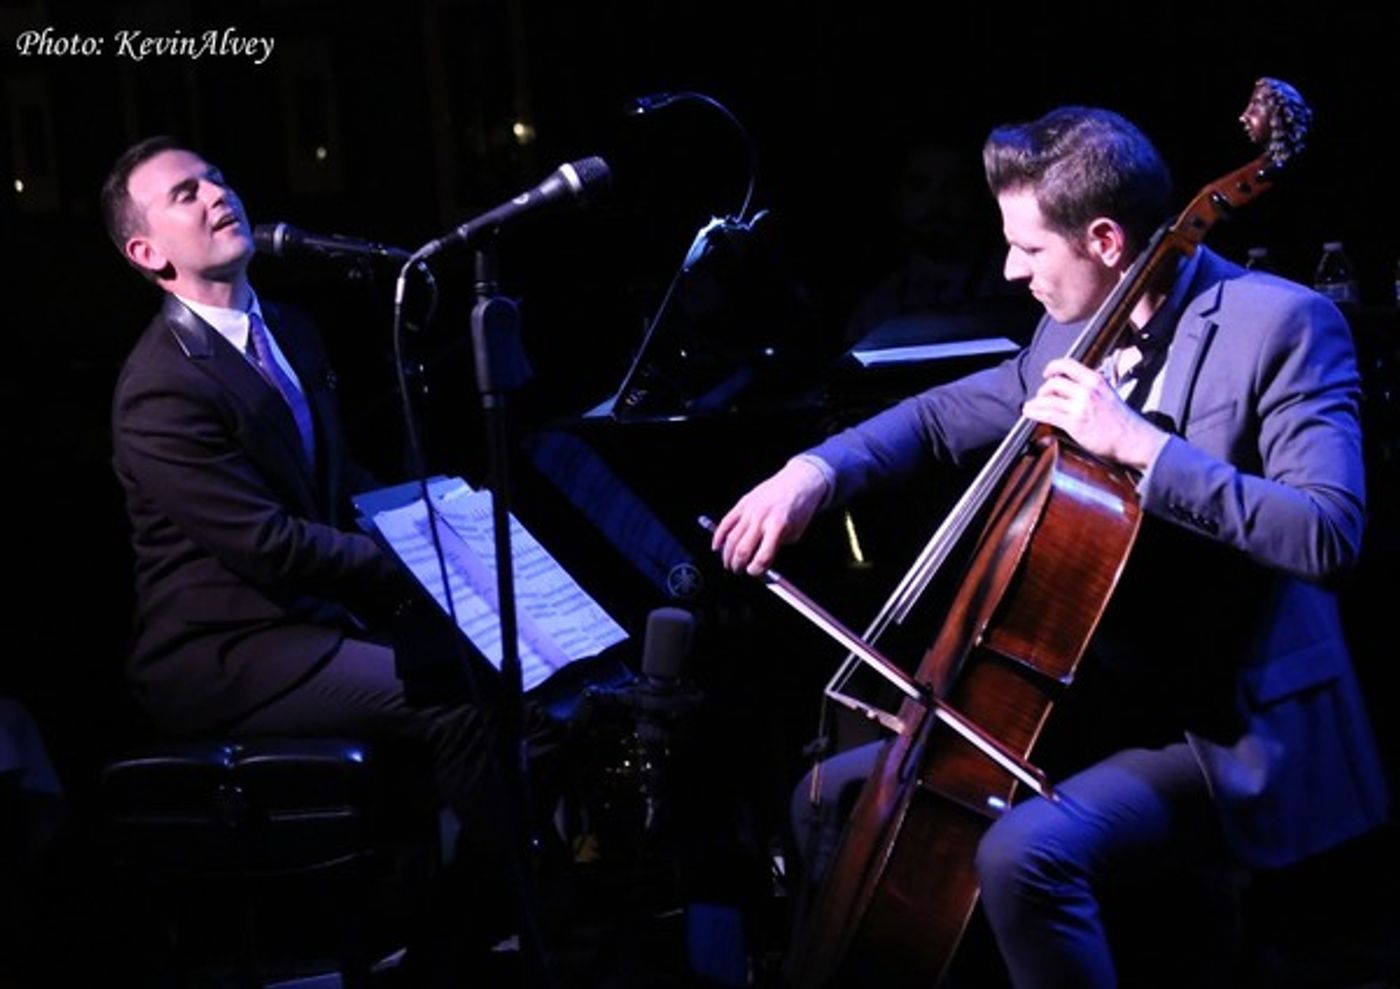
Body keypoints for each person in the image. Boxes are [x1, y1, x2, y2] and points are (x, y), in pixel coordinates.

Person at [712, 107, 1389, 987]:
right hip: (1097, 703)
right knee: (827, 797)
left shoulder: (1282, 325)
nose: (1009, 270)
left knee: (1022, 855)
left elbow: (1329, 531)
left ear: (1104, 238)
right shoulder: (1071, 331)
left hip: (1232, 725)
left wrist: (1142, 447)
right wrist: (812, 473)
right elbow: (940, 415)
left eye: (1030, 250)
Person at [103, 135, 558, 979]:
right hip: (226, 653)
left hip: (308, 623)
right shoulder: (161, 385)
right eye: (184, 195)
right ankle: (488, 927)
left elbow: (335, 477)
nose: (215, 196)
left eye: (218, 177)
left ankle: (459, 919)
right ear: (147, 252)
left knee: (527, 663)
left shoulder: (292, 329)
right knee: (460, 691)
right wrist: (415, 565)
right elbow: (268, 543)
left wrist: (434, 517)